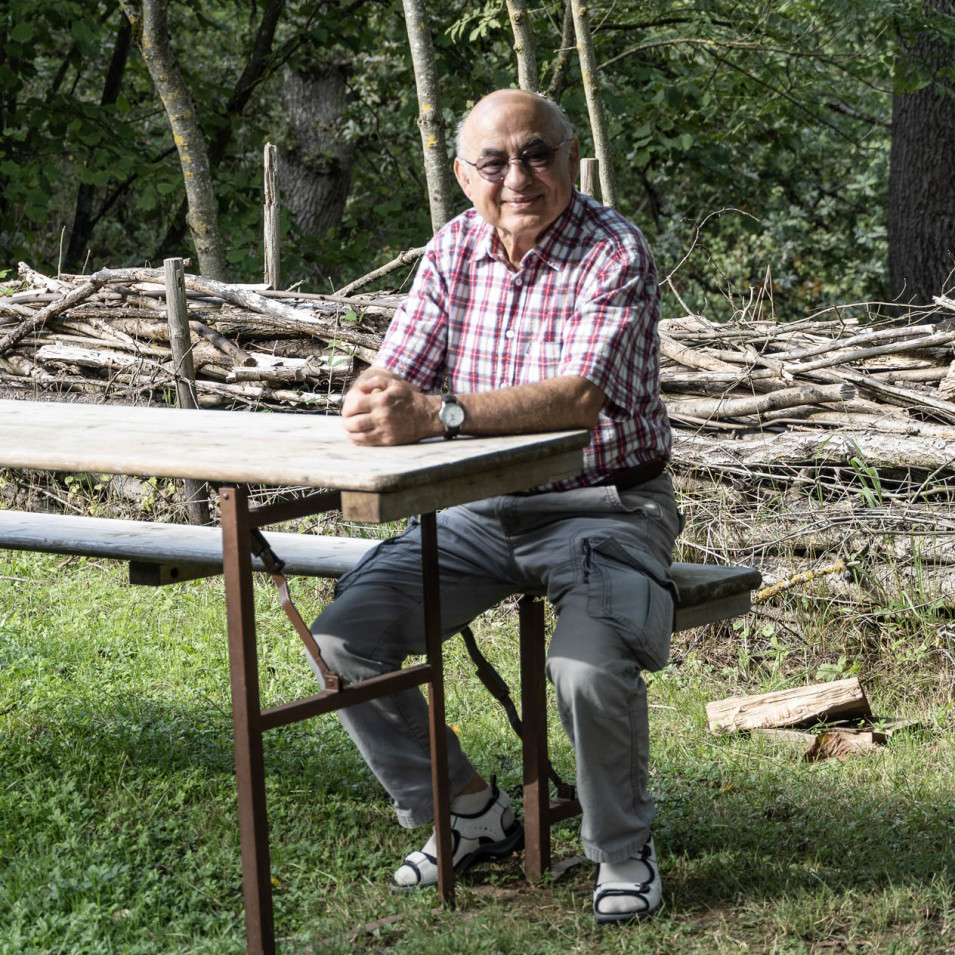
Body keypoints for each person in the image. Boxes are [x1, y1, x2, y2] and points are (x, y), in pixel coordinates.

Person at [309, 88, 681, 925]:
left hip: (603, 506)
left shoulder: (612, 249)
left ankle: (621, 849)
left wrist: (436, 414)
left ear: (570, 157)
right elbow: (398, 371)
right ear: (461, 173)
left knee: (585, 667)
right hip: (473, 508)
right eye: (494, 160)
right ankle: (469, 811)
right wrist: (376, 397)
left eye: (537, 153)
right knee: (342, 641)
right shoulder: (452, 248)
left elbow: (578, 396)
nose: (518, 176)